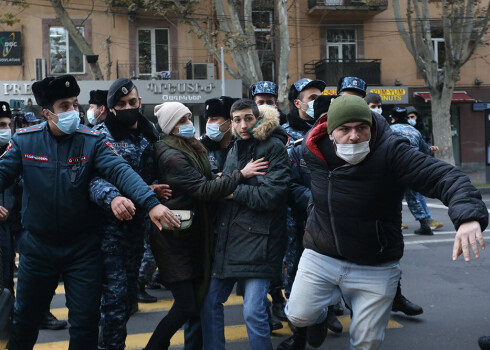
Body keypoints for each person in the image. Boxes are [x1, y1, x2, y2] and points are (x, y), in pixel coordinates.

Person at [285, 94, 487, 350]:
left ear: (371, 126)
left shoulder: (392, 152)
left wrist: (468, 216)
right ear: (330, 132)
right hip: (321, 253)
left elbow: (446, 177)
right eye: (344, 130)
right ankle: (320, 316)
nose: (354, 136)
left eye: (361, 128)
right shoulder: (311, 150)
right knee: (298, 315)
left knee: (366, 343)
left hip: (375, 263)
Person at [0, 75, 179, 350]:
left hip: (81, 250)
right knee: (24, 322)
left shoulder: (91, 140)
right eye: (65, 106)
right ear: (47, 113)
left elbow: (121, 171)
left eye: (75, 104)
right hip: (37, 249)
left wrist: (151, 202)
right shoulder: (26, 142)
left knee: (85, 324)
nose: (74, 111)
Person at [145, 101, 267, 350]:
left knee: (195, 303)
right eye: (181, 120)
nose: (189, 123)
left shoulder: (188, 145)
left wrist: (220, 177)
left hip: (189, 235)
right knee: (186, 305)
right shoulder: (171, 155)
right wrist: (240, 175)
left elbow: (203, 179)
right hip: (174, 240)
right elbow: (203, 189)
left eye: (189, 118)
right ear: (169, 126)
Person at [201, 99, 291, 350]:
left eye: (248, 119)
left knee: (253, 312)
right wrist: (228, 182)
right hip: (230, 240)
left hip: (261, 242)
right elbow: (228, 183)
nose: (242, 125)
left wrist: (230, 191)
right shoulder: (234, 147)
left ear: (257, 119)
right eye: (237, 120)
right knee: (210, 303)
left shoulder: (273, 148)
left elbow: (271, 196)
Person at [88, 78, 168, 350]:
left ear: (140, 103)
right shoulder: (100, 136)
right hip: (109, 230)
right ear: (110, 109)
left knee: (127, 299)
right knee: (114, 300)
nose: (128, 108)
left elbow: (157, 172)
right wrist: (114, 197)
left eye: (132, 102)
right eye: (121, 105)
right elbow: (93, 180)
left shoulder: (152, 135)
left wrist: (156, 187)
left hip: (140, 230)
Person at [278, 94, 337, 350]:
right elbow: (289, 183)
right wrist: (315, 200)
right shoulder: (302, 147)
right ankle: (301, 334)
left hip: (346, 231)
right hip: (308, 226)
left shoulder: (359, 147)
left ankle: (325, 314)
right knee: (300, 282)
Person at [390, 107, 441, 236]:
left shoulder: (390, 130)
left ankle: (394, 225)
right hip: (413, 169)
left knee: (391, 197)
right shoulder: (415, 131)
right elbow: (425, 150)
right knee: (413, 198)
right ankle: (424, 225)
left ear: (393, 118)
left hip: (395, 169)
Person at [200, 96, 237, 174]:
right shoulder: (201, 148)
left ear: (230, 122)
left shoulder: (241, 146)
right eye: (207, 119)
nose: (208, 123)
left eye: (214, 119)